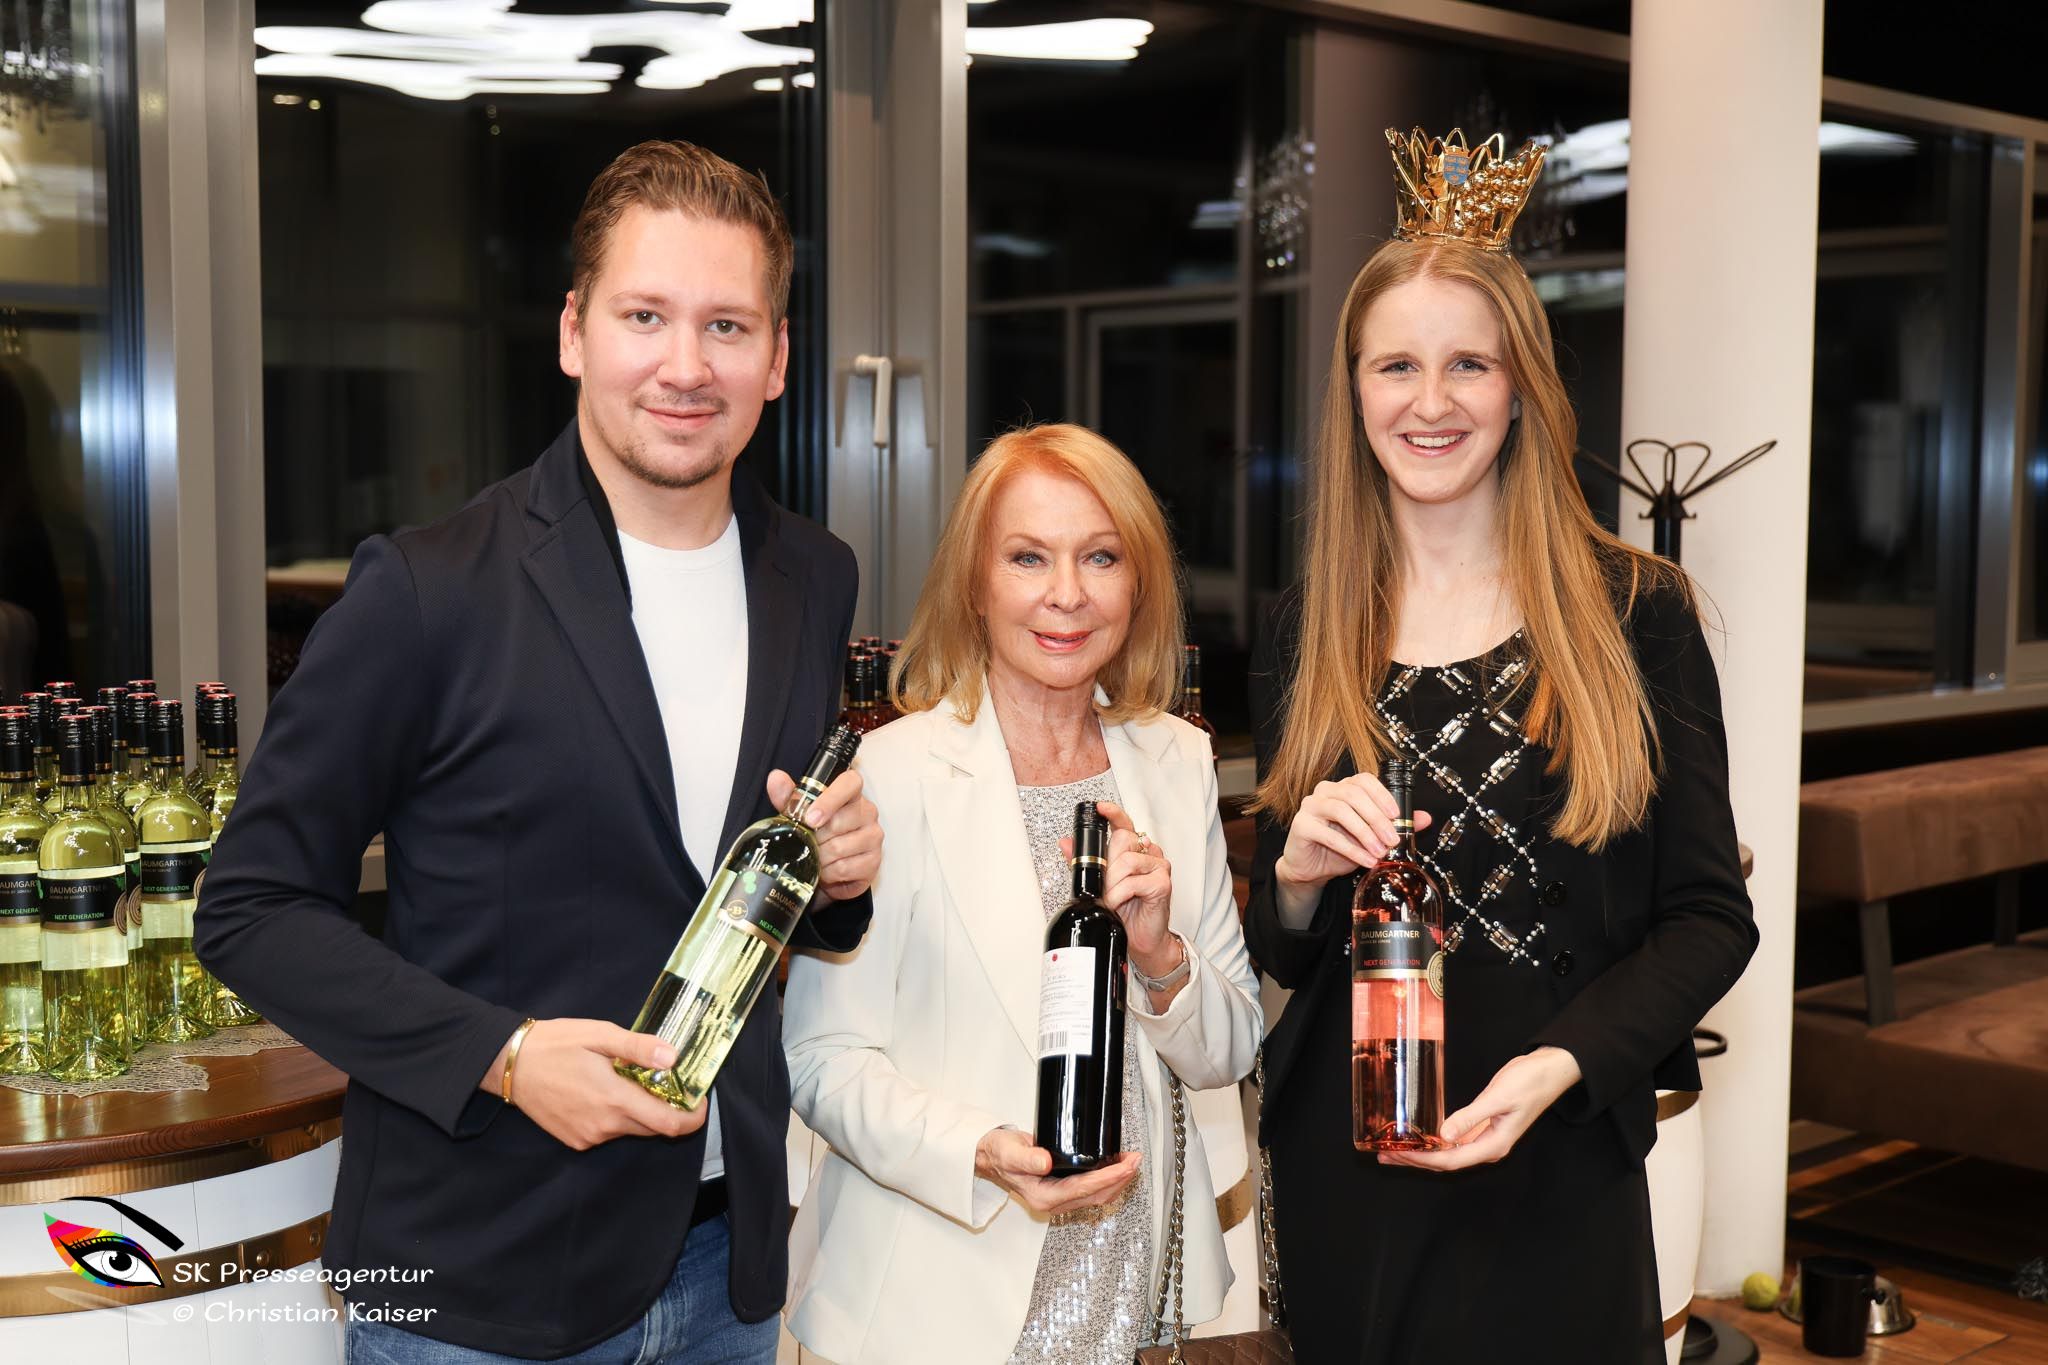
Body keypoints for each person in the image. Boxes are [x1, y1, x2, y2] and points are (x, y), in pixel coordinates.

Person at [196, 140, 882, 1363]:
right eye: (643, 315)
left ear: (777, 359)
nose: (685, 365)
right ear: (573, 332)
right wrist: (505, 1059)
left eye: (727, 325)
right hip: (478, 1280)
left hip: (730, 1262)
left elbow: (741, 890)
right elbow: (248, 908)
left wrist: (837, 883)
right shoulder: (426, 588)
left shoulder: (811, 577)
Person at [1244, 128, 1758, 1364]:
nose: (1429, 403)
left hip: (1557, 1149)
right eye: (1395, 366)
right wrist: (1298, 879)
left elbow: (1707, 916)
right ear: (1353, 390)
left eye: (1466, 364)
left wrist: (1558, 1067)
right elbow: (1280, 944)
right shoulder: (1305, 630)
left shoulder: (1635, 614)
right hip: (1350, 1162)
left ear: (1520, 384)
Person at [780, 424, 1263, 1364]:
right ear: (975, 581)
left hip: (1137, 1290)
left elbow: (1228, 1047)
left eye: (1101, 557)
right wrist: (980, 1151)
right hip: (936, 1298)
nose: (1067, 594)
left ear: (1139, 582)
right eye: (1028, 556)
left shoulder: (1176, 759)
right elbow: (823, 1059)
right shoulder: (892, 772)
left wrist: (1162, 959)